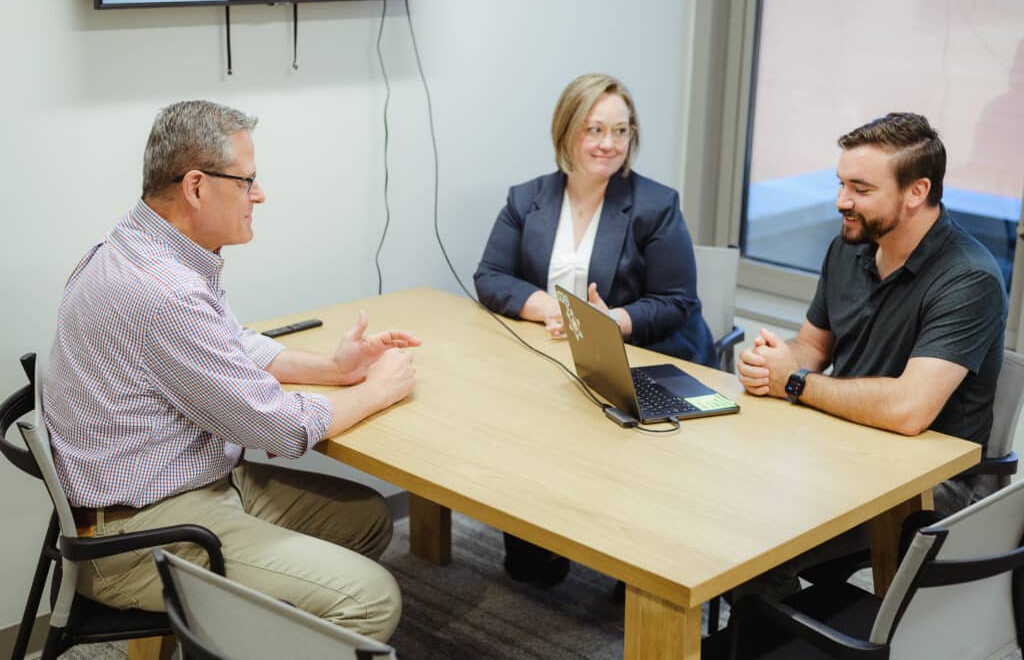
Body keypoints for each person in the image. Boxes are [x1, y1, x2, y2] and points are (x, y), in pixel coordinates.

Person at [43, 100, 418, 641]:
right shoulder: (162, 292)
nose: (258, 195)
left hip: (183, 484)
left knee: (365, 518)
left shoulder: (142, 246)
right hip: (142, 533)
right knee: (371, 600)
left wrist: (334, 370)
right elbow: (279, 428)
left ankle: (251, 633)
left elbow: (227, 342)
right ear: (197, 187)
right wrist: (379, 389)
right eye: (247, 181)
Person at [734, 111, 1006, 599]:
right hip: (841, 447)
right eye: (841, 184)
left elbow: (909, 410)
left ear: (916, 193)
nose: (842, 201)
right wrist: (775, 361)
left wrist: (794, 383)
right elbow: (813, 347)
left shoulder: (969, 278)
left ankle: (778, 637)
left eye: (860, 189)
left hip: (924, 483)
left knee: (752, 547)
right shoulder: (851, 246)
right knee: (727, 504)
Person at [473, 73, 716, 587]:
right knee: (528, 559)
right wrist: (545, 306)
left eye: (621, 131)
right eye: (594, 130)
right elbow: (489, 277)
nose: (609, 144)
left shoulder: (655, 205)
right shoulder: (528, 198)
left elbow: (679, 302)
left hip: (647, 360)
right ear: (566, 132)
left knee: (629, 495)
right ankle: (543, 547)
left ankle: (643, 568)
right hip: (556, 357)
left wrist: (614, 321)